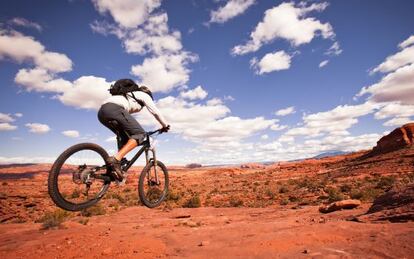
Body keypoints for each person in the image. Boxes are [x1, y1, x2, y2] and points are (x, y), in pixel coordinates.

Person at [97, 81, 169, 181]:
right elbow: (155, 111)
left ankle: (115, 167)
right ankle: (116, 159)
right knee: (139, 134)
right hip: (114, 109)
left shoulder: (126, 96)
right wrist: (165, 125)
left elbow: (126, 119)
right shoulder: (143, 95)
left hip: (102, 113)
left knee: (126, 137)